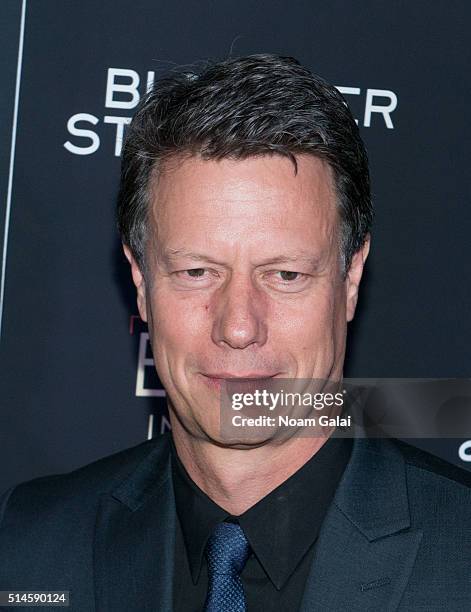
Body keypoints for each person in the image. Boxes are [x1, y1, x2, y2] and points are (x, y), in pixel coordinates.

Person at [0, 53, 470, 611]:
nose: (240, 326)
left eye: (286, 274)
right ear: (141, 281)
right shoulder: (26, 547)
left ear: (350, 278)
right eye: (197, 272)